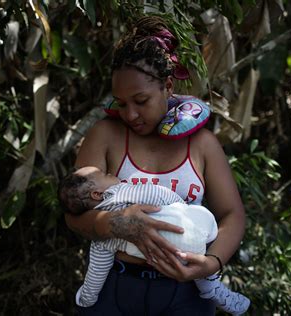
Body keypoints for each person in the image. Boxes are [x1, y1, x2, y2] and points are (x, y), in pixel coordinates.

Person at [64, 15, 246, 315]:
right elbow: (73, 213)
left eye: (141, 100)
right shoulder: (104, 136)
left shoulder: (202, 145)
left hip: (185, 294)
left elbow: (232, 214)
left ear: (168, 86)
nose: (131, 114)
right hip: (115, 287)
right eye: (121, 103)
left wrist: (210, 264)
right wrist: (117, 224)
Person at [59, 166, 250, 314]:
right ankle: (212, 288)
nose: (108, 173)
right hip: (185, 231)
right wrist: (180, 206)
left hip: (153, 264)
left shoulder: (103, 239)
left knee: (183, 256)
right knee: (195, 256)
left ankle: (209, 284)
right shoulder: (122, 191)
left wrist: (87, 297)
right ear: (97, 194)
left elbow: (97, 270)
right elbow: (155, 193)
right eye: (104, 174)